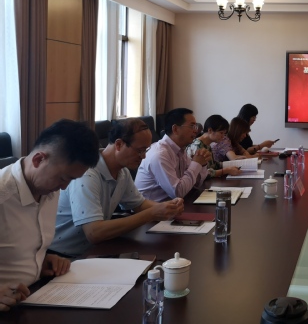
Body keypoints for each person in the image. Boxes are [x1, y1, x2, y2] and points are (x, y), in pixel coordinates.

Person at [0, 119, 99, 310]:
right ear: (38, 160)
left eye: (72, 180)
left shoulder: (48, 190)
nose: (64, 187)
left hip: (35, 296)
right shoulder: (3, 196)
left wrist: (41, 260)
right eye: (63, 178)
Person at [49, 118, 185, 257]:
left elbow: (139, 204)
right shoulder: (87, 174)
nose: (143, 156)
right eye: (139, 150)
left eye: (146, 150)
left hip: (94, 251)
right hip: (62, 257)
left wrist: (168, 208)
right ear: (119, 144)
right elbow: (94, 233)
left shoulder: (122, 172)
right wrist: (150, 214)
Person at [135, 108, 212, 201]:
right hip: (152, 208)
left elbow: (195, 184)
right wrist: (196, 164)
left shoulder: (180, 150)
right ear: (175, 129)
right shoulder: (160, 155)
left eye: (195, 126)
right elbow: (178, 193)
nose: (196, 131)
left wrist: (202, 164)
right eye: (192, 126)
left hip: (172, 205)